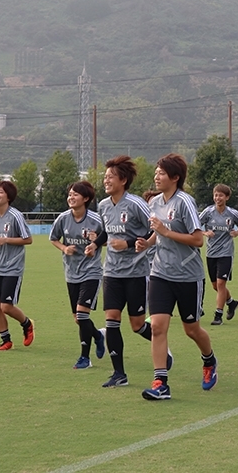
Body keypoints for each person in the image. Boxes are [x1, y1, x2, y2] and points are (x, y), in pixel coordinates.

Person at [139, 153, 217, 401]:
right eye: (156, 172)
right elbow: (157, 235)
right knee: (158, 327)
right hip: (160, 273)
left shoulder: (185, 202)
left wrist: (166, 231)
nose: (156, 176)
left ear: (175, 177)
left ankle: (209, 360)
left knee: (191, 330)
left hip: (188, 276)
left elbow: (197, 240)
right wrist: (147, 243)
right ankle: (160, 382)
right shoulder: (154, 203)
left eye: (161, 173)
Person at [85, 155, 154, 388]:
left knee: (137, 325)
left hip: (136, 273)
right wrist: (95, 244)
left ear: (123, 180)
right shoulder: (103, 205)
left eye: (110, 177)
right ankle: (119, 374)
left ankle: (161, 346)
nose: (106, 181)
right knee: (112, 320)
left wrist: (130, 242)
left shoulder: (135, 204)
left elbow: (155, 230)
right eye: (104, 177)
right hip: (112, 272)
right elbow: (105, 233)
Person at [49, 181, 106, 369]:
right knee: (78, 318)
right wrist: (65, 248)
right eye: (70, 194)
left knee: (82, 315)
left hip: (92, 272)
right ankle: (98, 336)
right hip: (71, 273)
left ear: (86, 199)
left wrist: (95, 243)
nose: (71, 198)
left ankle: (84, 358)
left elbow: (109, 239)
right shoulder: (63, 218)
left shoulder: (96, 220)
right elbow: (53, 239)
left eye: (75, 195)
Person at [0, 180, 35, 351]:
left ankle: (26, 324)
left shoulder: (15, 216)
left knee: (6, 306)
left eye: (0, 192)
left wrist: (6, 240)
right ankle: (6, 340)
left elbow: (28, 239)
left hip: (12, 267)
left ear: (8, 197)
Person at [199, 184, 238, 325]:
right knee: (215, 286)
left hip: (226, 253)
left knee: (220, 283)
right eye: (216, 195)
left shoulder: (232, 213)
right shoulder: (208, 212)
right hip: (211, 252)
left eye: (221, 195)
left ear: (227, 197)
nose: (217, 198)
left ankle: (218, 315)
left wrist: (236, 232)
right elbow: (195, 226)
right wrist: (205, 233)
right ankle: (231, 302)